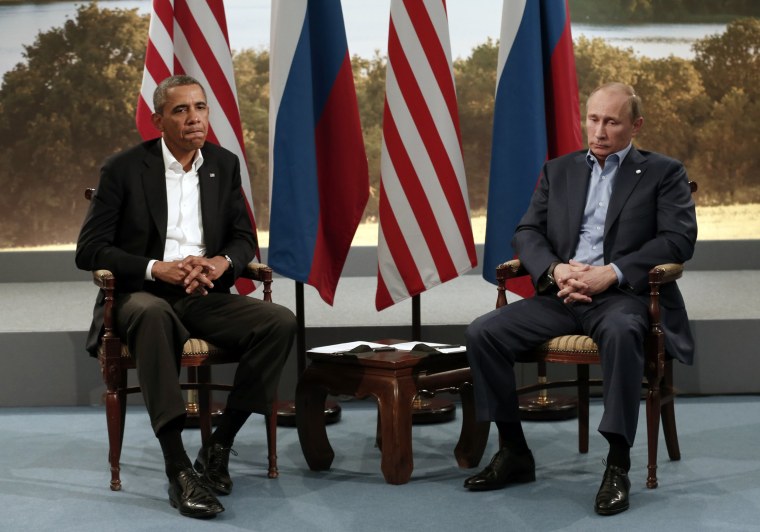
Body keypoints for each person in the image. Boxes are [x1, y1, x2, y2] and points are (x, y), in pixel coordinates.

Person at [463, 81, 697, 515]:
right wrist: (557, 271)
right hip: (562, 294)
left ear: (636, 125)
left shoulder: (664, 172)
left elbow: (678, 240)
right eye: (593, 119)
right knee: (483, 333)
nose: (600, 130)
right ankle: (514, 451)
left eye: (612, 121)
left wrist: (611, 272)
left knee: (625, 332)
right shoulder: (560, 170)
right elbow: (527, 232)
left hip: (623, 296)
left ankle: (617, 463)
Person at [76, 75, 297, 519]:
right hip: (142, 295)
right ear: (158, 119)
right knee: (154, 315)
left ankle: (219, 445)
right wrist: (155, 267)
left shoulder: (223, 164)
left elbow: (242, 239)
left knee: (279, 322)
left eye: (200, 107)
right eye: (180, 110)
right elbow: (90, 250)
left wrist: (219, 264)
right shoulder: (122, 169)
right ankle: (178, 467)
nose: (194, 117)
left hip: (203, 293)